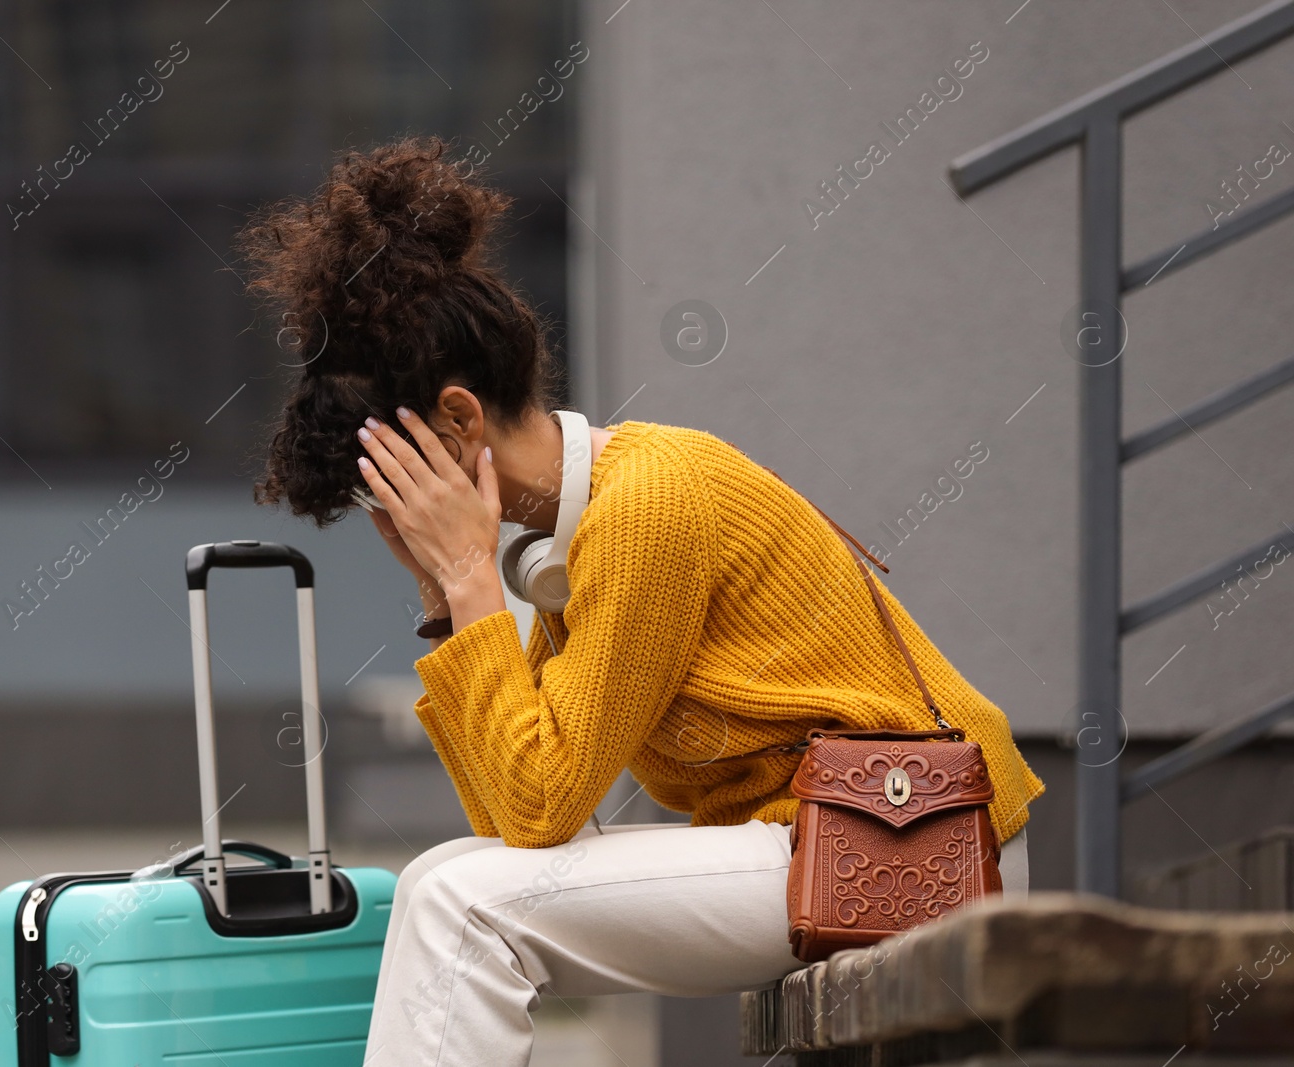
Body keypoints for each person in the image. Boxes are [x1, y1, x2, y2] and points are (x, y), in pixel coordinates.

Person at [240, 135, 1044, 1067]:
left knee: (461, 904)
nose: (403, 515)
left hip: (913, 842)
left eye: (398, 485)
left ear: (459, 420)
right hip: (838, 837)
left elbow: (541, 812)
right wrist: (441, 596)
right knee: (449, 877)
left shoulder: (647, 505)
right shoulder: (579, 530)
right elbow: (517, 816)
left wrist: (469, 582)